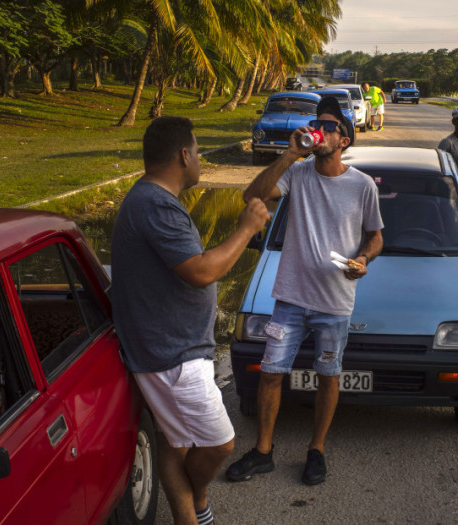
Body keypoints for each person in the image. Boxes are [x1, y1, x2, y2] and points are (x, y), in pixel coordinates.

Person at [111, 116, 270, 525]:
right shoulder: (156, 205)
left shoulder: (150, 200)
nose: (200, 160)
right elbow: (201, 271)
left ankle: (190, 516)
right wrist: (246, 228)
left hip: (170, 349)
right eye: (198, 152)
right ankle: (197, 497)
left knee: (174, 443)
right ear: (184, 154)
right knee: (220, 443)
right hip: (172, 357)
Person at [226, 97, 384, 486]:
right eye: (317, 124)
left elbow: (376, 236)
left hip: (334, 302)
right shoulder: (297, 175)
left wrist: (363, 259)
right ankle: (263, 451)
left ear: (343, 140)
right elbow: (254, 197)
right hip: (291, 299)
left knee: (328, 375)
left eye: (329, 127)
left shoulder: (362, 185)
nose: (321, 130)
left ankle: (317, 450)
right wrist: (289, 154)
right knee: (271, 374)